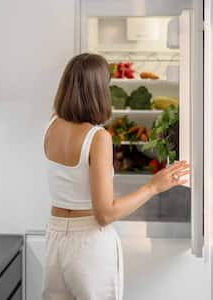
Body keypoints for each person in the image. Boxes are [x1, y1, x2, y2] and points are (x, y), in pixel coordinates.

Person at [41, 53, 190, 300]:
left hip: (56, 240)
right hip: (88, 245)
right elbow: (105, 214)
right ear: (99, 90)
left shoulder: (52, 125)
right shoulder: (98, 137)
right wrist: (153, 186)